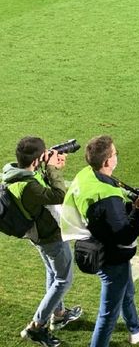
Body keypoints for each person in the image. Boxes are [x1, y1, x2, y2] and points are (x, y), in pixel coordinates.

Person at [60, 135, 139, 347]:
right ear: (107, 162)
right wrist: (138, 211)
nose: (117, 157)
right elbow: (125, 234)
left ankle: (136, 328)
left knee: (127, 291)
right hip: (110, 257)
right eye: (115, 154)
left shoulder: (86, 174)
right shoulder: (107, 197)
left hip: (94, 242)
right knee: (108, 314)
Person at [2, 137, 82, 347]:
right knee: (64, 279)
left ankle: (59, 314)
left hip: (40, 234)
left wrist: (47, 167)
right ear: (36, 160)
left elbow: (38, 180)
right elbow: (58, 194)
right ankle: (37, 326)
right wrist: (54, 169)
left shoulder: (15, 172)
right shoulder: (28, 186)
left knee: (53, 274)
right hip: (49, 237)